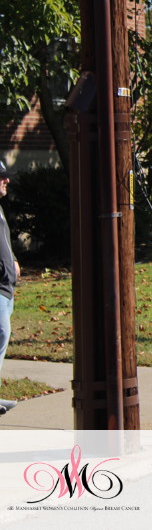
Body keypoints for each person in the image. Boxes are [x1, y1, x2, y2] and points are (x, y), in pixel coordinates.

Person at [0, 162, 20, 415]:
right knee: (1, 334)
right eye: (2, 177)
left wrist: (13, 260)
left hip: (6, 288)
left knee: (2, 338)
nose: (7, 181)